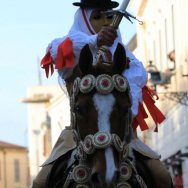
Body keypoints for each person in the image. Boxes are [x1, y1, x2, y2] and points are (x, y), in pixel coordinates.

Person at [33, 0, 172, 187]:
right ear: (84, 20)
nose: (105, 23)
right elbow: (58, 51)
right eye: (97, 17)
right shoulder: (67, 46)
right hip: (77, 133)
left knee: (161, 175)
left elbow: (136, 83)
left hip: (123, 134)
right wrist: (94, 41)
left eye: (108, 17)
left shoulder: (126, 58)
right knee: (41, 181)